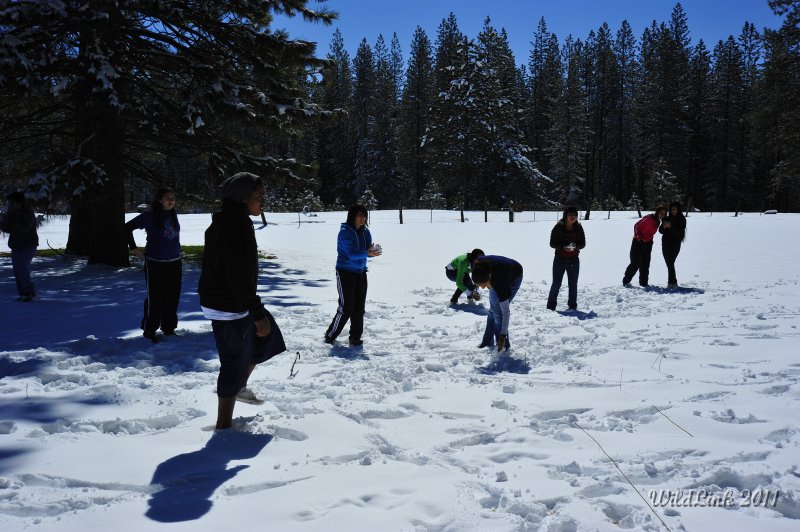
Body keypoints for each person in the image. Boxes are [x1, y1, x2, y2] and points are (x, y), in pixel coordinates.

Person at [198, 172, 286, 430]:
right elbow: (238, 274)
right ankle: (223, 426)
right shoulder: (234, 225)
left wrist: (257, 312)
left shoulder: (230, 221)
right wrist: (256, 312)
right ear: (242, 198)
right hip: (227, 305)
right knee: (233, 359)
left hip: (232, 300)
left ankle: (239, 386)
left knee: (267, 337)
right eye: (259, 197)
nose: (263, 202)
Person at [126, 187, 182, 341]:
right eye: (167, 197)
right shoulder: (149, 216)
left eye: (173, 197)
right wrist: (134, 249)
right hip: (155, 263)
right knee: (155, 297)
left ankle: (168, 328)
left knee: (172, 297)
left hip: (174, 262)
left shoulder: (172, 214)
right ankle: (149, 330)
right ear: (159, 200)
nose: (171, 200)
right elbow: (126, 228)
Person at [324, 204, 382, 346]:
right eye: (360, 215)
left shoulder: (366, 232)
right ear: (352, 216)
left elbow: (366, 250)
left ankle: (355, 337)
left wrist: (372, 252)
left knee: (359, 308)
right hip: (345, 272)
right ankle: (330, 335)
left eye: (364, 215)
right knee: (346, 307)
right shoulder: (345, 232)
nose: (363, 218)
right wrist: (367, 253)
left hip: (361, 272)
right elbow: (350, 255)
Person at [471, 255, 523, 352]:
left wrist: (503, 335)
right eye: (479, 285)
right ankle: (487, 342)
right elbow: (477, 280)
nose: (482, 288)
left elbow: (506, 312)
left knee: (498, 312)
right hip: (500, 272)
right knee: (492, 309)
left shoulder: (499, 283)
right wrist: (474, 290)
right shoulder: (477, 267)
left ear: (489, 279)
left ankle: (503, 347)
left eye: (485, 285)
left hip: (515, 276)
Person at [0, 191, 39, 302]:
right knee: (17, 271)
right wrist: (4, 220)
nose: (10, 205)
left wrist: (15, 216)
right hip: (16, 246)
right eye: (10, 203)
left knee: (22, 268)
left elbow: (23, 229)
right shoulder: (13, 213)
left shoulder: (28, 213)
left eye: (12, 203)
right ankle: (23, 294)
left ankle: (29, 293)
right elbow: (7, 228)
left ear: (19, 202)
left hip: (28, 245)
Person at [547, 206, 586, 311]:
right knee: (556, 284)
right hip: (560, 259)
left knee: (573, 285)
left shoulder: (579, 227)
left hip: (574, 259)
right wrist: (563, 247)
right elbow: (552, 243)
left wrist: (575, 247)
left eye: (575, 215)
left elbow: (583, 243)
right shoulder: (558, 227)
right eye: (570, 215)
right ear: (565, 216)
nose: (573, 217)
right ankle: (550, 308)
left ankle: (572, 306)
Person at [622, 205, 667, 287]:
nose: (662, 215)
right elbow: (636, 226)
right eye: (661, 213)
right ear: (657, 212)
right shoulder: (649, 218)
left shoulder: (658, 222)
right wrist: (640, 238)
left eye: (664, 214)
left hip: (648, 244)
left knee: (645, 264)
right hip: (638, 242)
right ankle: (626, 281)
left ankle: (644, 283)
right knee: (635, 263)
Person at [659, 201, 686, 288]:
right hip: (666, 243)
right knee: (669, 262)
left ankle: (672, 282)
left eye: (675, 209)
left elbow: (680, 233)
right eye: (671, 209)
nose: (673, 211)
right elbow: (660, 231)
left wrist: (671, 227)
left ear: (678, 210)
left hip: (675, 243)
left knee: (670, 262)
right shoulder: (667, 218)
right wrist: (663, 227)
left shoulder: (682, 219)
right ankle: (672, 283)